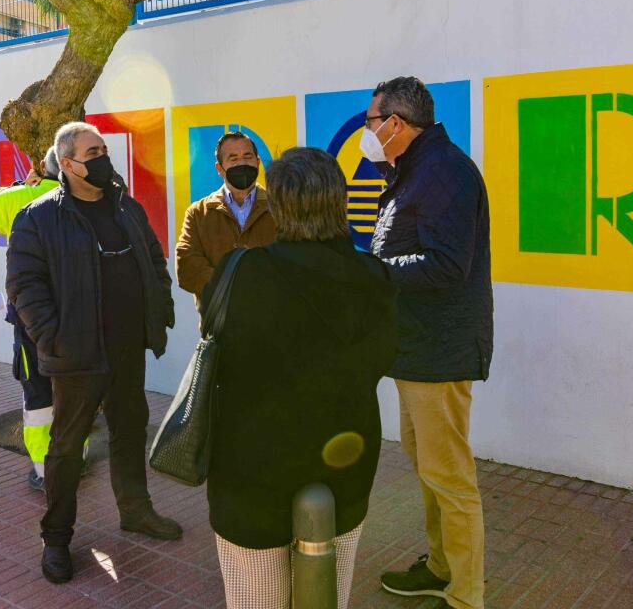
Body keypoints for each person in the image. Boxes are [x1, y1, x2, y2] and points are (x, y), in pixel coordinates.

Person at [202, 147, 397, 609]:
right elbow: (385, 356)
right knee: (329, 594)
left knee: (255, 600)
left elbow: (216, 339)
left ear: (279, 205)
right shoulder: (374, 277)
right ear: (340, 201)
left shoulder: (240, 271)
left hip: (248, 474)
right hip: (344, 468)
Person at [6, 122, 179, 585]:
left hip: (127, 347)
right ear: (65, 164)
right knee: (66, 448)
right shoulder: (38, 216)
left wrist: (158, 308)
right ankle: (57, 537)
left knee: (128, 430)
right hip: (77, 354)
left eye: (103, 149)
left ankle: (136, 511)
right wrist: (53, 338)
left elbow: (154, 260)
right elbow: (24, 287)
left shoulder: (125, 205)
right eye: (91, 151)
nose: (102, 158)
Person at [361, 77, 493, 609]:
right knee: (431, 468)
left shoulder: (442, 173)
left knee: (451, 477)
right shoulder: (417, 170)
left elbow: (445, 264)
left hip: (439, 353)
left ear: (395, 124)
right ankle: (441, 567)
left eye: (372, 122)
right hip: (416, 350)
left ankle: (465, 596)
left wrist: (371, 271)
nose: (367, 132)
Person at [0, 147, 70, 491]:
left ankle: (42, 468)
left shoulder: (23, 196)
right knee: (71, 392)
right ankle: (72, 461)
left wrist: (16, 188)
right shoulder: (90, 197)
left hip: (31, 316)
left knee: (37, 392)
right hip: (77, 312)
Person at [176, 131, 277, 297]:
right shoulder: (198, 213)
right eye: (233, 159)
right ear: (219, 168)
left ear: (258, 162)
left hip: (271, 317)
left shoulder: (280, 207)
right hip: (220, 320)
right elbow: (186, 266)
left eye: (247, 156)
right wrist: (229, 285)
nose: (242, 163)